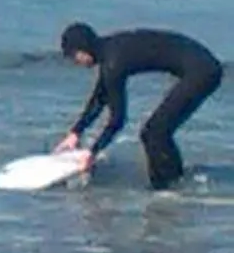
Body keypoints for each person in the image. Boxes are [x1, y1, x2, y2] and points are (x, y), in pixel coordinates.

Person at [54, 21, 222, 190]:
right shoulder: (110, 50)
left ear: (83, 51)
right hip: (202, 63)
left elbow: (118, 120)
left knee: (153, 133)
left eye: (73, 57)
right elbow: (100, 97)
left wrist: (92, 153)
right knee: (157, 132)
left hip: (203, 71)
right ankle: (174, 181)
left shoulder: (112, 63)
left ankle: (166, 189)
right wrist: (75, 133)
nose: (76, 62)